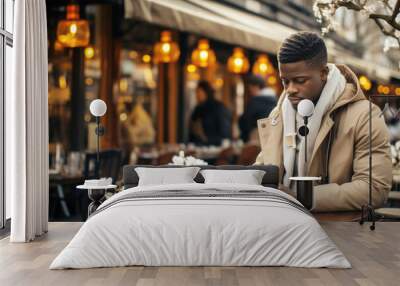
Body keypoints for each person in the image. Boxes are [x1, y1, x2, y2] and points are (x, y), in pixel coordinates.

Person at [254, 31, 392, 212]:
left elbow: (374, 188)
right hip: (282, 225)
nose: (290, 90)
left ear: (323, 73)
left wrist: (303, 198)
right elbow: (262, 172)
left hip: (339, 232)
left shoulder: (365, 116)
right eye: (285, 81)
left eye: (300, 80)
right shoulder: (277, 116)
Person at [189, 80, 232, 146]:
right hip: (198, 146)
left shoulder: (218, 107)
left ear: (206, 92)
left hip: (215, 147)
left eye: (199, 92)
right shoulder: (198, 108)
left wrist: (207, 139)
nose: (197, 95)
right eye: (196, 92)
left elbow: (225, 133)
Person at [239, 75, 277, 142]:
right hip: (273, 137)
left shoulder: (255, 102)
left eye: (250, 88)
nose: (250, 91)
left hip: (256, 138)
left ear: (256, 86)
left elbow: (246, 121)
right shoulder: (275, 101)